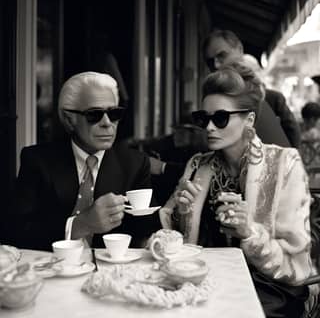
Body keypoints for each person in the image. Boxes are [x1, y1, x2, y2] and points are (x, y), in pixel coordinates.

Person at [159, 62, 315, 318]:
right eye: (203, 118)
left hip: (268, 288)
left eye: (220, 118)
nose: (209, 127)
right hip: (205, 281)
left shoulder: (285, 163)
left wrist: (249, 232)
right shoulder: (198, 165)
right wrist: (182, 212)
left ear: (249, 119)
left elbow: (294, 256)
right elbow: (177, 245)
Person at [6, 72, 160, 250]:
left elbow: (147, 231)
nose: (107, 123)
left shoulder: (134, 164)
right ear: (69, 119)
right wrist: (80, 225)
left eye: (114, 113)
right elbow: (15, 232)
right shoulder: (37, 161)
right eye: (94, 114)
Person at [202, 29, 301, 148]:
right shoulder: (209, 101)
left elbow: (293, 140)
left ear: (239, 49)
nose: (216, 65)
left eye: (222, 56)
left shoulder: (273, 100)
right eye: (210, 62)